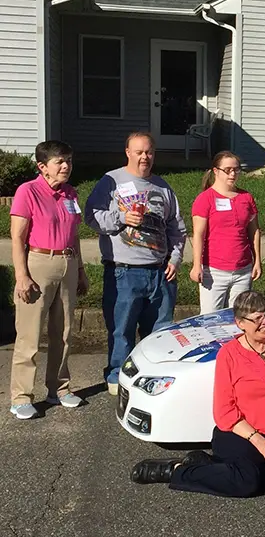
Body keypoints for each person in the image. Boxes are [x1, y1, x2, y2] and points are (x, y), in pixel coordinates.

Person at [129, 291, 265, 496]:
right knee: (247, 482)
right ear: (240, 323)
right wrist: (258, 440)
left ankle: (219, 467)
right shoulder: (230, 354)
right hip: (240, 433)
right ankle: (176, 471)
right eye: (257, 318)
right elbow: (224, 411)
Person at [85, 132, 186, 395]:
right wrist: (121, 218)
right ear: (128, 152)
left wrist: (175, 259)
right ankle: (118, 373)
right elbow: (92, 217)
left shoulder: (163, 187)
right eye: (139, 152)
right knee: (122, 329)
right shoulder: (112, 181)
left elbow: (177, 229)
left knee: (159, 331)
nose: (145, 157)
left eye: (149, 152)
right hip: (124, 271)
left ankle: (152, 374)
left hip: (160, 272)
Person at [8, 141, 89, 419]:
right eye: (59, 162)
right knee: (29, 334)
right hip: (39, 262)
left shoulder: (70, 193)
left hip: (67, 261)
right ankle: (21, 396)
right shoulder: (27, 191)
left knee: (64, 332)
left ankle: (59, 388)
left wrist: (80, 270)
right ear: (42, 167)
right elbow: (17, 237)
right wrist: (22, 275)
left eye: (68, 160)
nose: (65, 166)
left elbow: (75, 235)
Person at [190, 151, 261, 313]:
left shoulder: (246, 197)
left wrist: (257, 260)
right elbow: (199, 235)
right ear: (216, 171)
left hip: (243, 270)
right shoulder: (205, 199)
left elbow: (254, 231)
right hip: (214, 271)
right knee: (210, 319)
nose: (233, 174)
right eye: (227, 170)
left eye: (236, 169)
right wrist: (196, 265)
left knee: (239, 317)